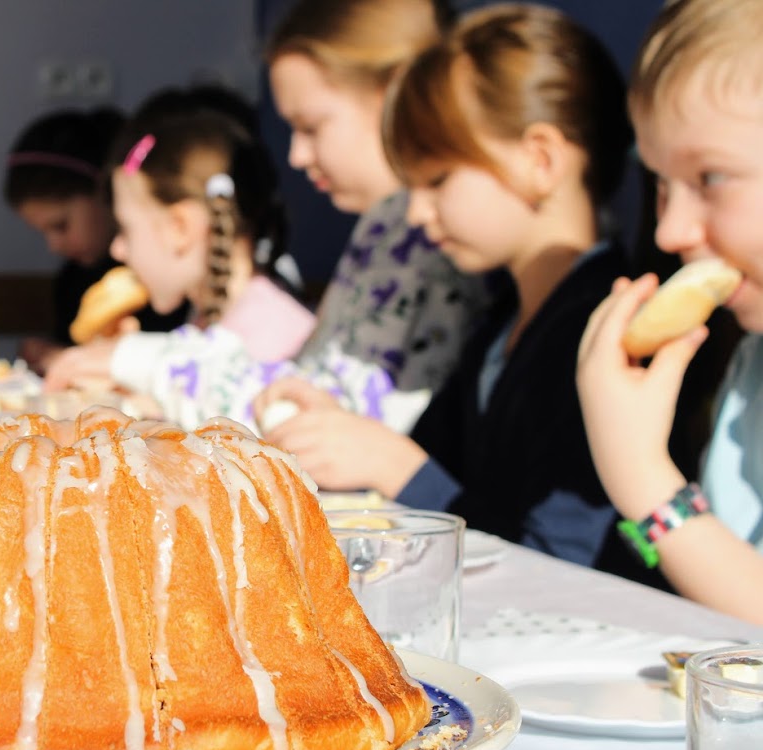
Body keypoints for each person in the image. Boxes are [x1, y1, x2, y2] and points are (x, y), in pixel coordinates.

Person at [259, 3, 648, 580]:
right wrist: (344, 436)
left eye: (437, 181)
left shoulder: (602, 333)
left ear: (540, 160)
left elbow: (563, 557)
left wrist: (395, 465)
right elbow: (442, 468)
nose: (416, 213)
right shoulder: (501, 329)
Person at [46, 0, 490, 433]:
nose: (296, 155)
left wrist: (137, 361)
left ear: (393, 95)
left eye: (311, 127)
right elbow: (309, 379)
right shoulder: (387, 222)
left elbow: (337, 417)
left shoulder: (427, 232)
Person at [576, 0, 763, 622]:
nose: (669, 230)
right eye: (659, 184)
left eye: (711, 177)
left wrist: (643, 478)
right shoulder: (750, 357)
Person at [43, 105, 316, 414]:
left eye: (126, 230)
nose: (117, 249)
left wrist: (129, 361)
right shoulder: (206, 316)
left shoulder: (271, 328)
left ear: (180, 228)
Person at [3, 107, 185, 373]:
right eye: (43, 232)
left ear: (104, 193)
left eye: (61, 225)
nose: (53, 246)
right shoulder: (71, 282)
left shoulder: (162, 278)